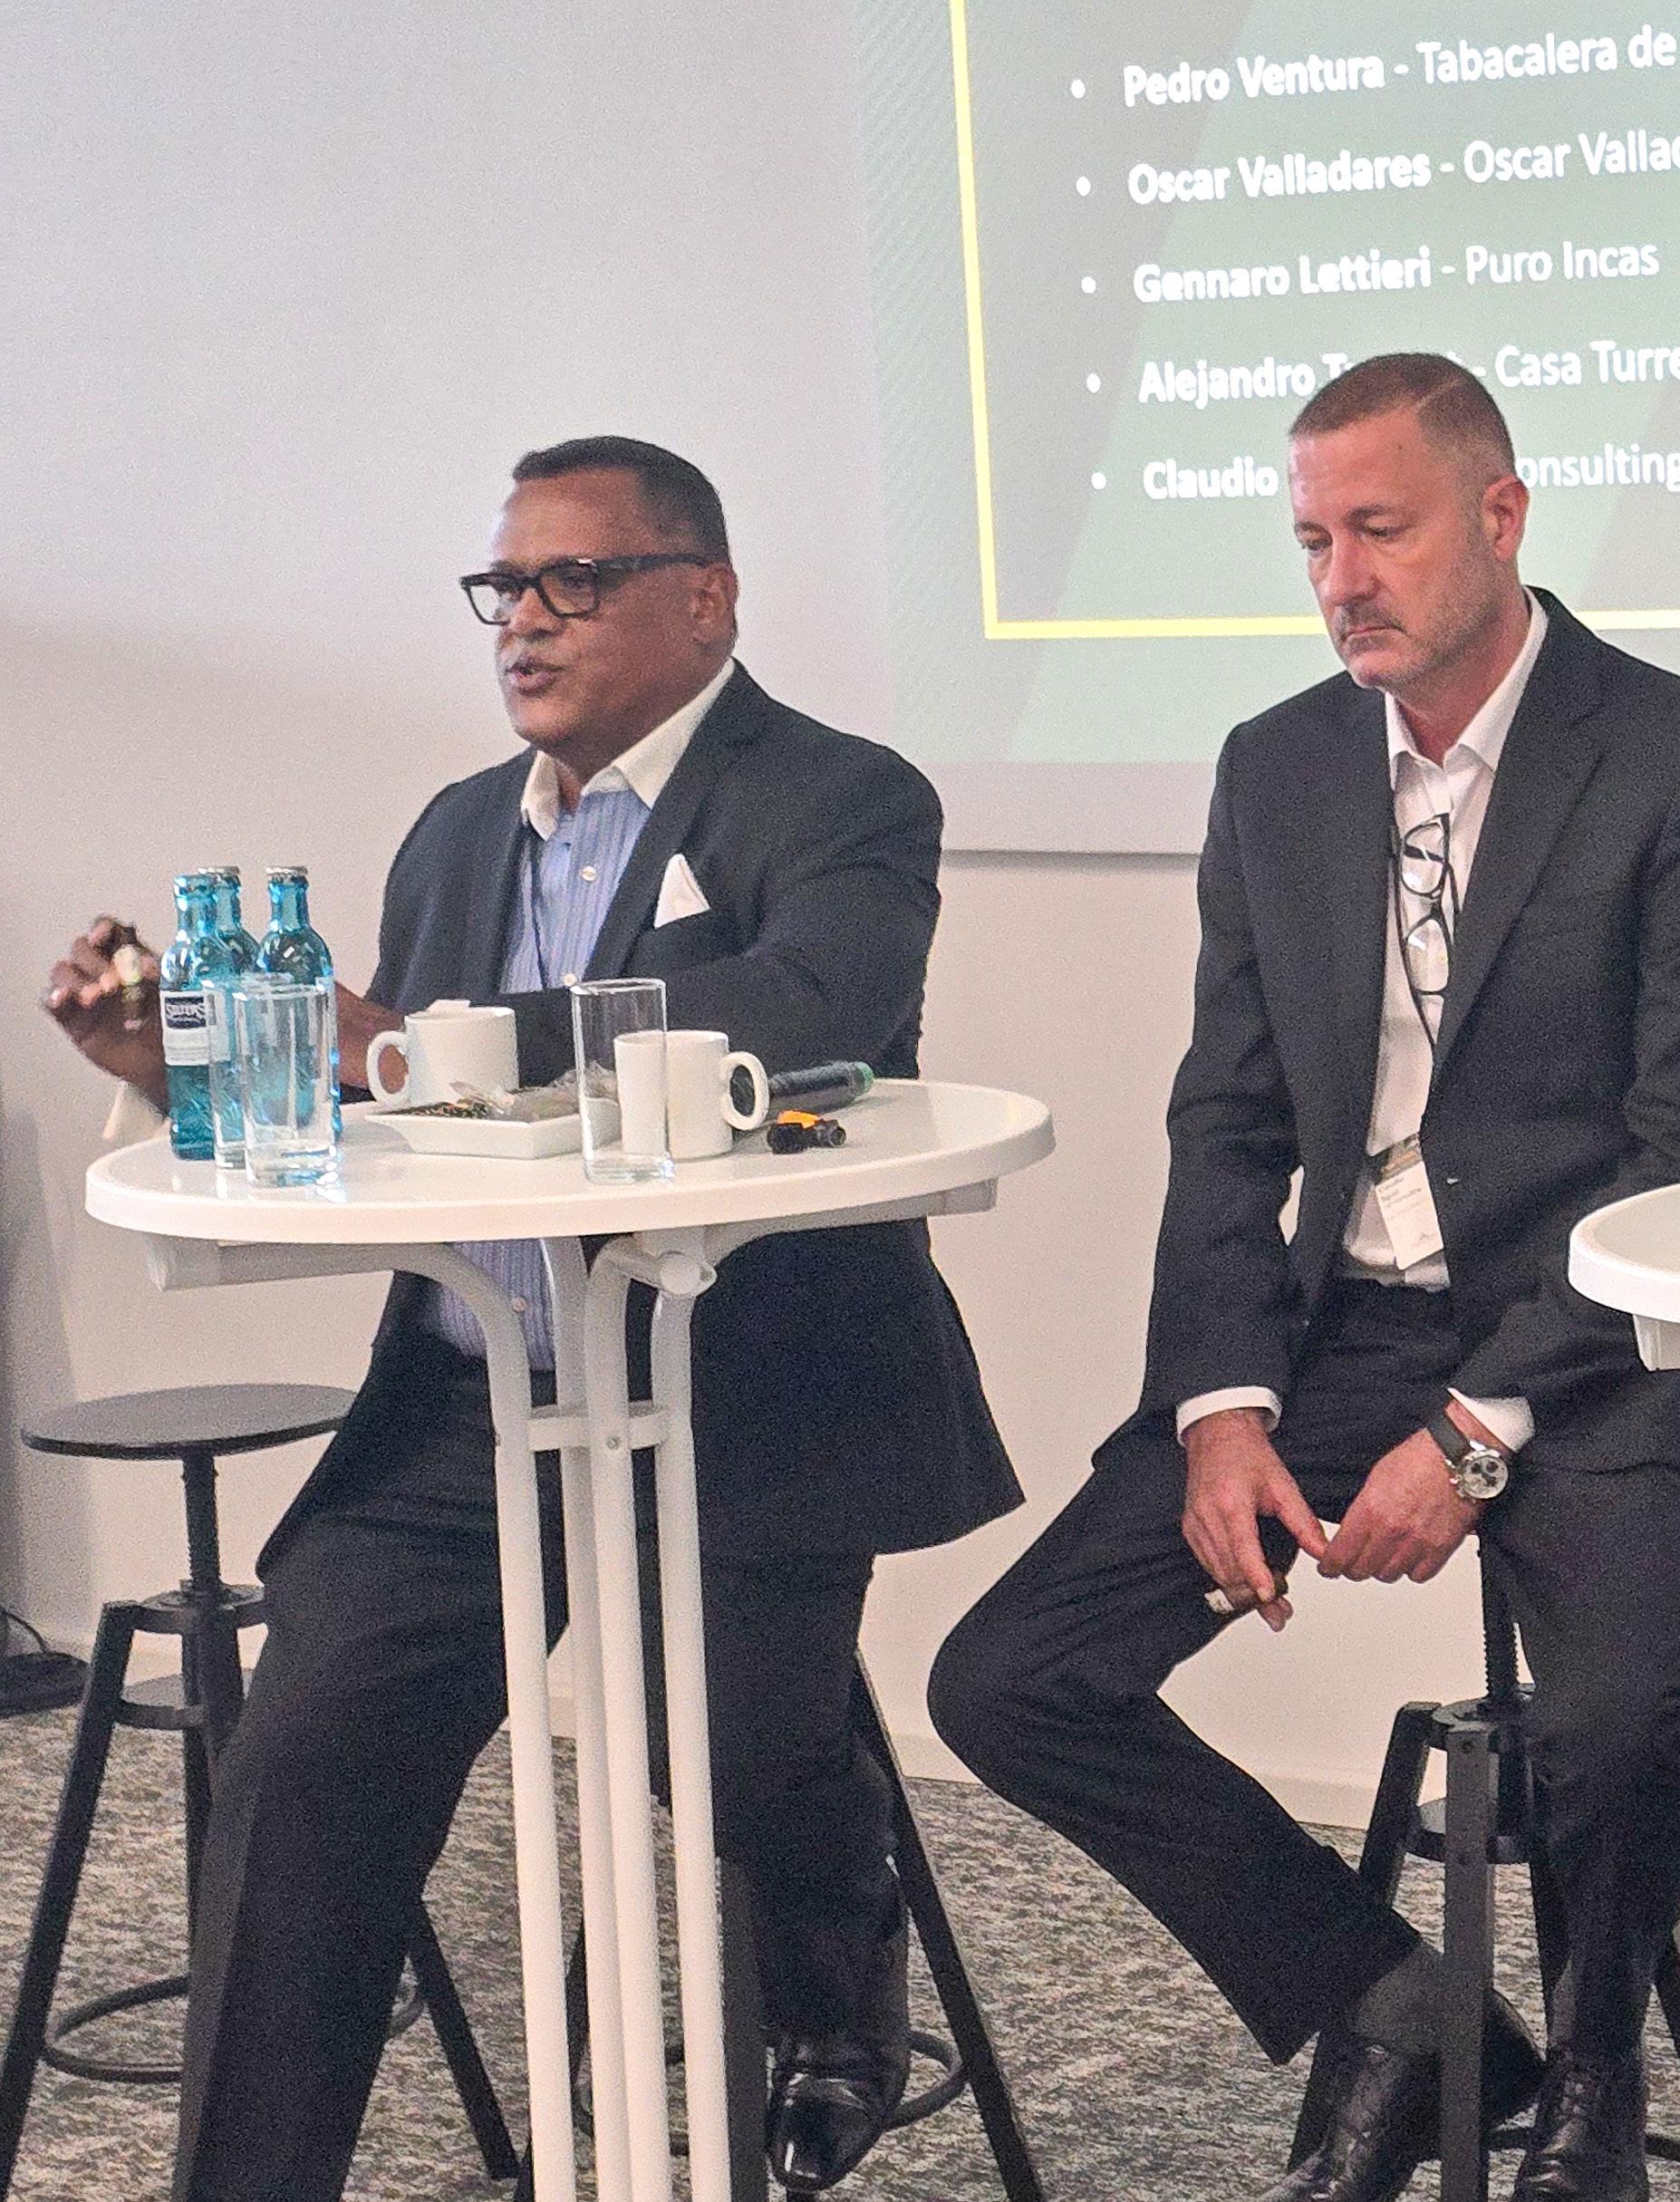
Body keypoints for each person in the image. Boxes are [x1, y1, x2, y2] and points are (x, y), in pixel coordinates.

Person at [38, 436, 1016, 2197]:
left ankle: (837, 1942)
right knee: (301, 1766)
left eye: (574, 580)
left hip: (741, 1395)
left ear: (704, 598)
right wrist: (188, 1073)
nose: (523, 621)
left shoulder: (840, 797)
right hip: (470, 1400)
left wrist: (430, 1043)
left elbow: (818, 1005)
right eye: (504, 586)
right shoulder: (456, 832)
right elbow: (410, 1123)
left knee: (737, 1741)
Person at [928, 353, 1680, 2202]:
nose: (1342, 581)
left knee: (1619, 1721)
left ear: (1503, 515)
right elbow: (1230, 1116)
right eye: (1314, 540)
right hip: (1350, 1328)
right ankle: (1402, 2009)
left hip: (1607, 1336)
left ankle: (1597, 2077)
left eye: (1381, 531)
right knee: (1011, 1677)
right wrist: (1222, 1405)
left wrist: (1479, 1429)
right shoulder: (1279, 765)